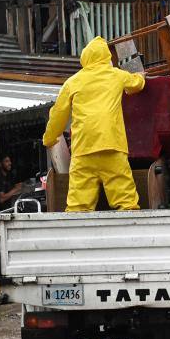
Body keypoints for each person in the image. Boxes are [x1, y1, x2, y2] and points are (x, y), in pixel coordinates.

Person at [43, 36, 146, 212]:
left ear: (85, 58)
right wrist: (140, 77)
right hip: (112, 147)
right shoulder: (116, 75)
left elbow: (58, 113)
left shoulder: (72, 82)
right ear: (107, 57)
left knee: (78, 206)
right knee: (126, 202)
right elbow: (136, 85)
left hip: (84, 150)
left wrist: (49, 139)